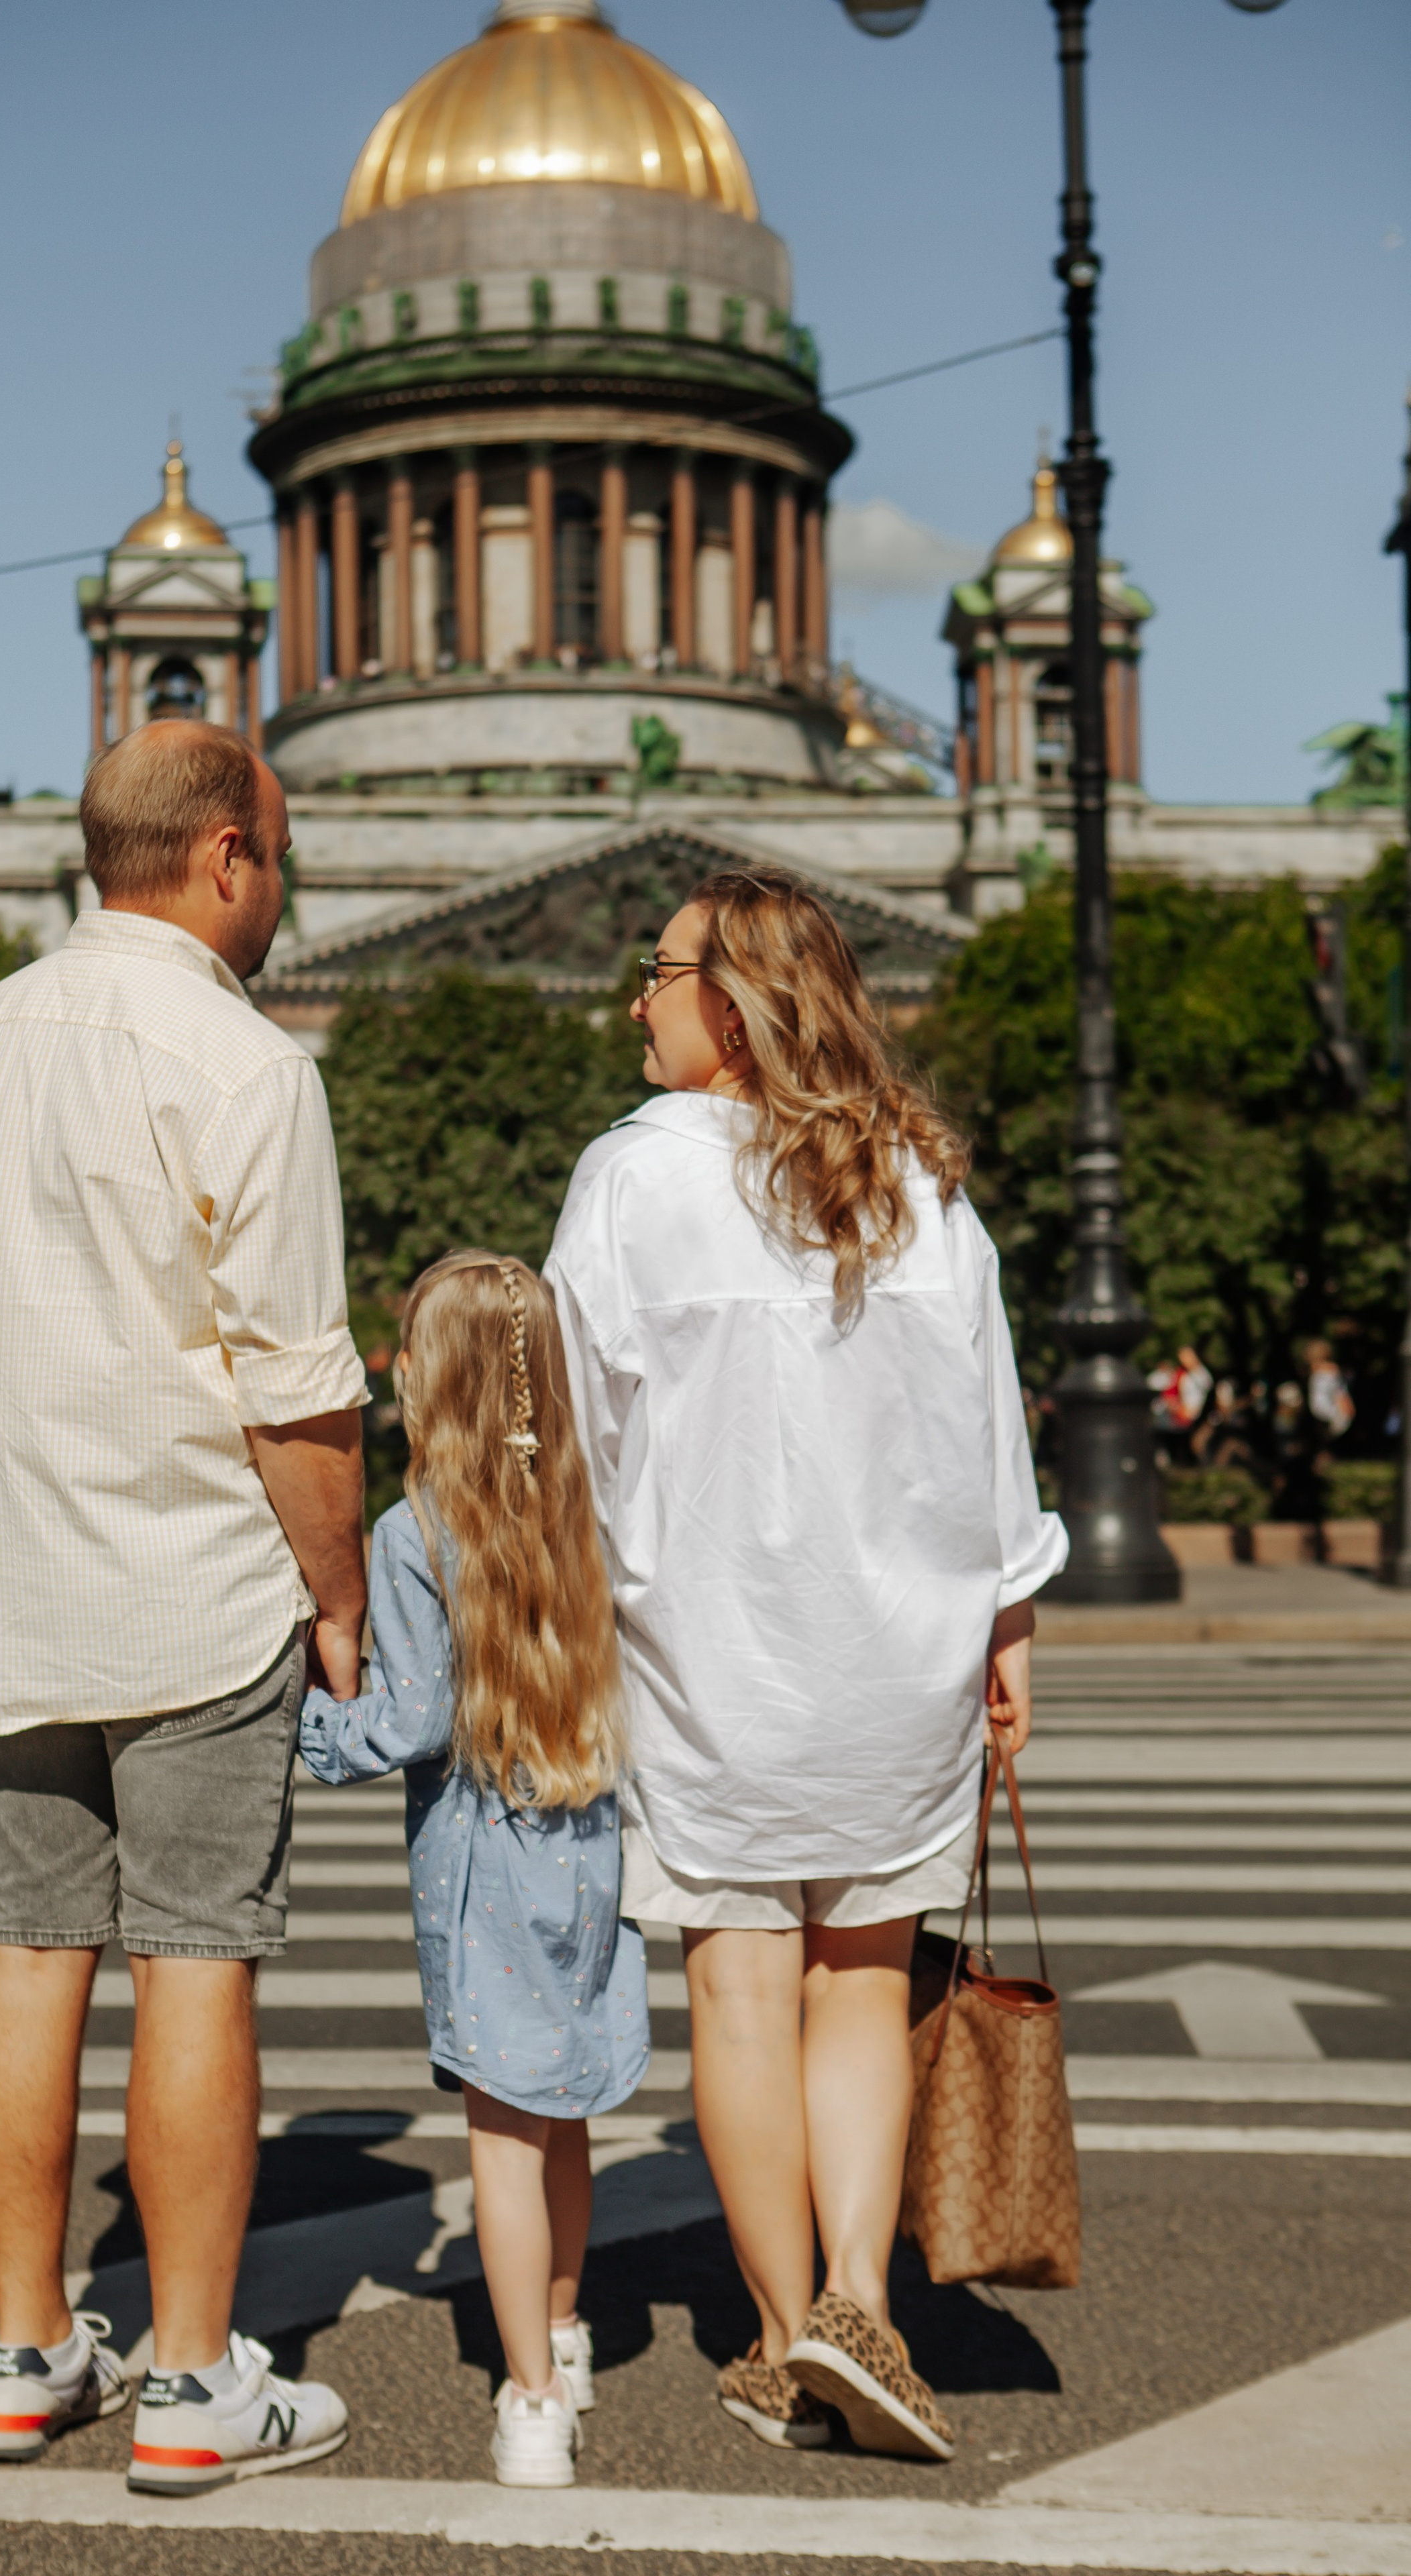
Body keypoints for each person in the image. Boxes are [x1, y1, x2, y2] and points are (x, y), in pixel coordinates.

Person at [543, 863, 1067, 2463]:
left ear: (734, 1002)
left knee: (740, 1988)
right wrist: (1007, 1624)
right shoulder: (915, 1181)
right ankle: (858, 2297)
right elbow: (988, 1429)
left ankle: (783, 2342)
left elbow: (569, 1432)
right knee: (862, 1982)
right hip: (898, 1655)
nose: (634, 1002)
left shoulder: (632, 1178)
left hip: (706, 1654)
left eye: (659, 974)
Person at [0, 720, 368, 2493]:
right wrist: (338, 1597)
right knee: (194, 1958)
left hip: (21, 1585)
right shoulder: (244, 1063)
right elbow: (299, 1396)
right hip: (197, 1585)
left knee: (31, 1946)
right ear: (226, 855)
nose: (283, 881)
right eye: (280, 851)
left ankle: (25, 2353)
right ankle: (189, 2381)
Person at [299, 1251, 649, 2490]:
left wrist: (309, 1723)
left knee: (501, 2138)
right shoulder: (581, 1510)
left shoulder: (415, 1535)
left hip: (484, 1867)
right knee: (564, 2114)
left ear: (430, 1382)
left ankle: (534, 2401)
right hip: (585, 1851)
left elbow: (408, 1721)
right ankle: (565, 2327)